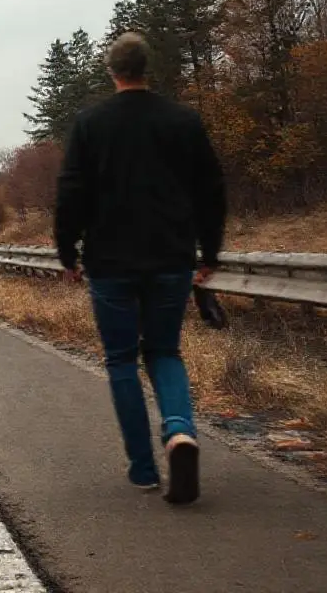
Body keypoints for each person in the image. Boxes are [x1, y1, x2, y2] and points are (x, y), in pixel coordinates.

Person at [54, 32, 226, 505]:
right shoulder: (183, 121)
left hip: (110, 261)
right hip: (171, 257)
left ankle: (144, 469)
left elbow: (70, 193)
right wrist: (210, 253)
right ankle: (180, 431)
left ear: (112, 71)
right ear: (146, 67)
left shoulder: (90, 124)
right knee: (165, 351)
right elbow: (211, 191)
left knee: (121, 360)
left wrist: (67, 253)